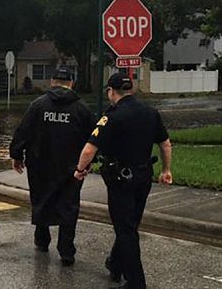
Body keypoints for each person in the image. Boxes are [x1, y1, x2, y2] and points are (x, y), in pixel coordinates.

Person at [73, 73, 173, 289]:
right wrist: (166, 170)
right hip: (144, 176)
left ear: (111, 91)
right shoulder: (150, 113)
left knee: (126, 230)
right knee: (130, 223)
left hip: (120, 178)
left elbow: (89, 149)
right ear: (131, 90)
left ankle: (136, 282)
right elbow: (165, 144)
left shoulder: (112, 116)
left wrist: (80, 169)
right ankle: (116, 264)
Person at [9, 66, 96, 266]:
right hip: (71, 167)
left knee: (41, 199)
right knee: (69, 205)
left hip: (40, 164)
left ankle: (42, 240)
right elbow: (93, 138)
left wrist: (16, 154)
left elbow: (23, 131)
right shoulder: (81, 108)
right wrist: (88, 162)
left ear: (52, 82)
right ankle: (66, 251)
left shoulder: (38, 105)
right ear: (71, 83)